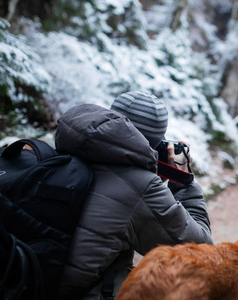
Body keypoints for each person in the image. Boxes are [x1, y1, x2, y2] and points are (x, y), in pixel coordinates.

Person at [54, 91, 213, 299]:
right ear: (153, 143)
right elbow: (201, 252)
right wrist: (183, 182)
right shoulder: (140, 188)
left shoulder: (64, 151)